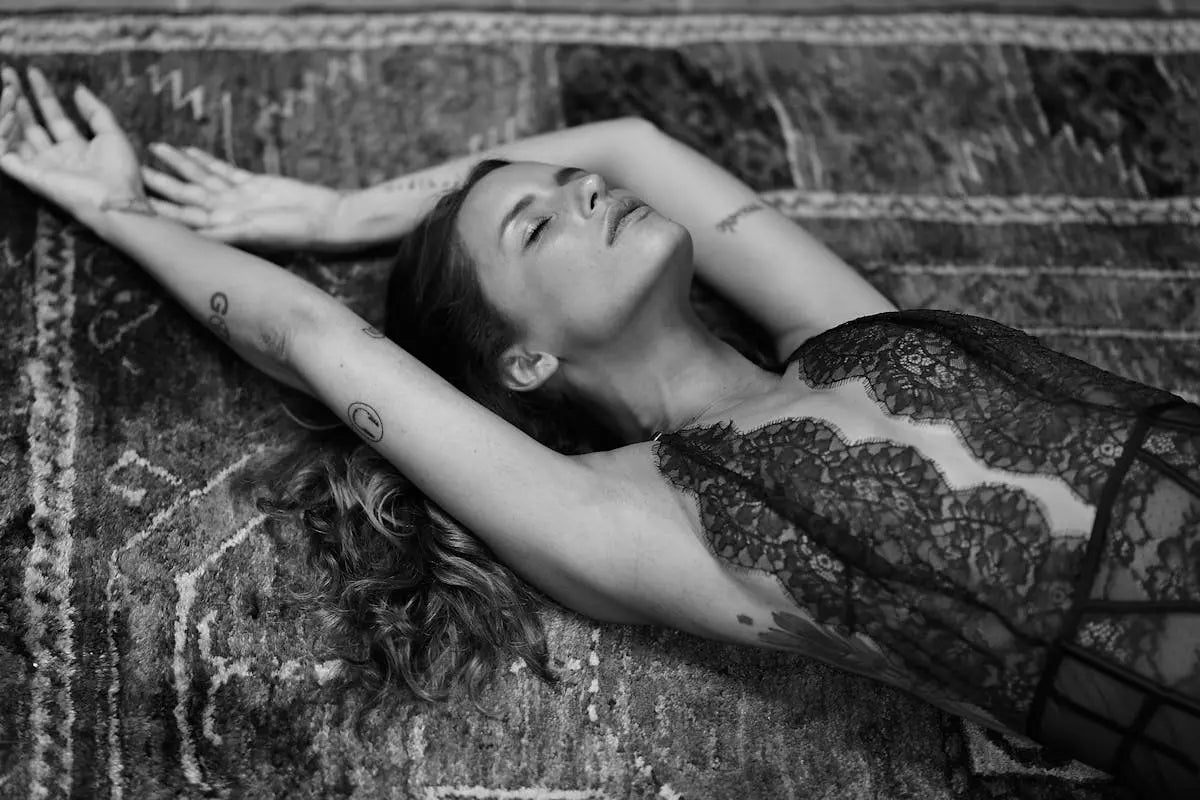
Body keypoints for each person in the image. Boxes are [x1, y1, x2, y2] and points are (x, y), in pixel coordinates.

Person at [2, 65, 1197, 798]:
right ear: (525, 361)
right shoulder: (635, 518)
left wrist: (344, 209)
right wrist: (118, 211)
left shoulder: (849, 330)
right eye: (536, 229)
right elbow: (321, 342)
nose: (586, 192)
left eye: (562, 190)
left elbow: (622, 140)